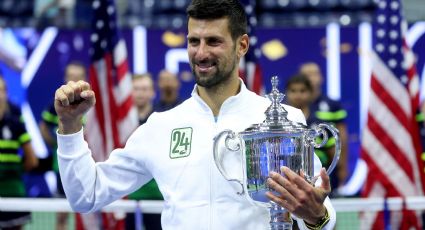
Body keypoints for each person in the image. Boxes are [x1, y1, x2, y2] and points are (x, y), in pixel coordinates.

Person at [54, 0, 336, 229]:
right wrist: (69, 127)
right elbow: (86, 195)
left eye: (213, 41)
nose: (201, 53)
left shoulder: (284, 121)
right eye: (193, 41)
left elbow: (325, 217)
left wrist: (316, 215)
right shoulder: (161, 126)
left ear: (242, 46)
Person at [39, 61, 87, 230]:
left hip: (90, 166)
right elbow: (43, 127)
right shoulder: (57, 105)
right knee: (62, 216)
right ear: (65, 78)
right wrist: (58, 145)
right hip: (63, 168)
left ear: (84, 79)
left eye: (77, 77)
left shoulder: (95, 106)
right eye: (70, 76)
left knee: (90, 216)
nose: (73, 81)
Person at [299, 62, 349, 196]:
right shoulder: (293, 106)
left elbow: (342, 134)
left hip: (326, 165)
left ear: (321, 77)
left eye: (314, 74)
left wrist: (342, 165)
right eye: (306, 74)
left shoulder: (333, 104)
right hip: (300, 167)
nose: (311, 78)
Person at [0, 76, 38, 230]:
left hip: (13, 190)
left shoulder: (15, 123)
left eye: (2, 90)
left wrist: (14, 171)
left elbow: (32, 160)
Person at [126, 73, 163, 230]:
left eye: (145, 89)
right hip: (127, 194)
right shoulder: (118, 125)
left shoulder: (163, 120)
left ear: (152, 92)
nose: (140, 93)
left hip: (157, 195)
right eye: (136, 89)